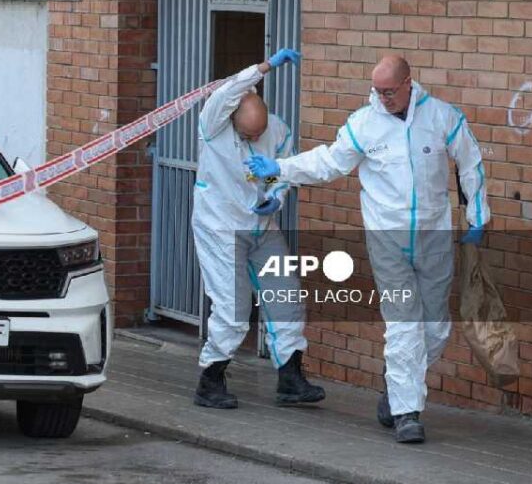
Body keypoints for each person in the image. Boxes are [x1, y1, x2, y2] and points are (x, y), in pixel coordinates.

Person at [246, 55, 489, 443]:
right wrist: (279, 168)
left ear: (409, 83)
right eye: (378, 91)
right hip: (387, 239)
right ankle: (407, 413)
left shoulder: (442, 117)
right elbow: (328, 162)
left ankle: (396, 387)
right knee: (404, 323)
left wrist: (477, 218)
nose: (383, 98)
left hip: (434, 236)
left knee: (436, 328)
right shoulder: (364, 124)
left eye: (390, 91)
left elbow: (471, 162)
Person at [191, 48, 326, 410]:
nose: (255, 139)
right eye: (248, 134)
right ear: (234, 117)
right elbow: (229, 89)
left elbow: (284, 173)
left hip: (261, 224)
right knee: (233, 307)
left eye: (259, 133)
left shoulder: (276, 129)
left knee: (286, 296)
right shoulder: (214, 121)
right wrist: (265, 67)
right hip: (220, 225)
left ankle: (291, 378)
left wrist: (276, 199)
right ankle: (211, 378)